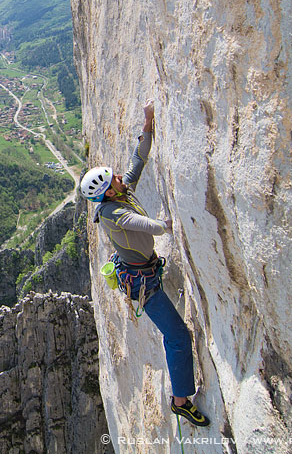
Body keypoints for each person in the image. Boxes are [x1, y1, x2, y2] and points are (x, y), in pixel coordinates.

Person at [79, 100, 209, 427]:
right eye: (115, 179)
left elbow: (137, 162)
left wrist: (147, 125)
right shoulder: (112, 214)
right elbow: (139, 224)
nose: (121, 177)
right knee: (178, 336)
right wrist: (166, 225)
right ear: (108, 193)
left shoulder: (120, 194)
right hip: (144, 285)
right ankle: (181, 401)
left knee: (177, 334)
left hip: (145, 271)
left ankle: (181, 397)